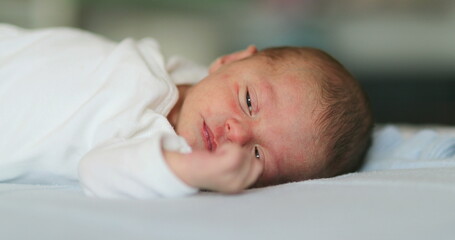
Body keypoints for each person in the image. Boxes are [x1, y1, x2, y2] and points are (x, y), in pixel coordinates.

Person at [0, 24, 373, 199]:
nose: (238, 134)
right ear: (229, 60)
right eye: (248, 101)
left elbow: (97, 171)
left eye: (258, 155)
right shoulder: (182, 73)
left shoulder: (159, 147)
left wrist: (190, 170)